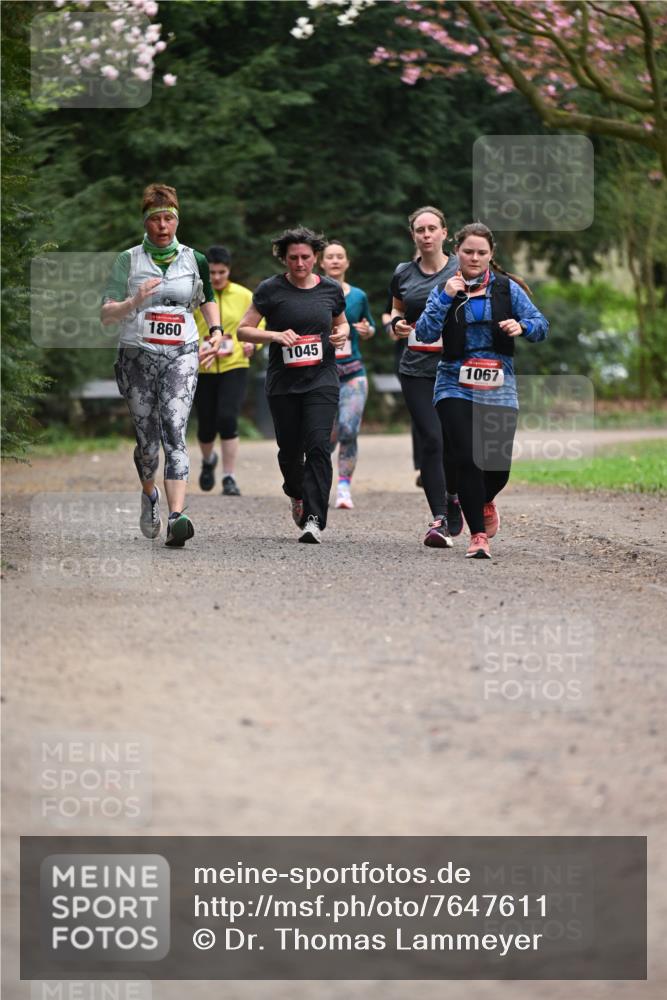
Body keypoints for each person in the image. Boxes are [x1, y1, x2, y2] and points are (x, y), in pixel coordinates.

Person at [415, 221, 548, 559]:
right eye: (468, 251)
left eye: (481, 252)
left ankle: (483, 500)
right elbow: (427, 333)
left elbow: (541, 327)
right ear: (456, 252)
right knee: (469, 457)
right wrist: (445, 298)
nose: (474, 258)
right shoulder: (444, 288)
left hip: (498, 383)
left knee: (497, 465)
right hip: (453, 382)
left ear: (491, 255)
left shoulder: (507, 288)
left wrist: (522, 325)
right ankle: (478, 536)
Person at [101, 183, 224, 547]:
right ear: (146, 222)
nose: (163, 226)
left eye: (169, 218)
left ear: (177, 221)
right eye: (156, 219)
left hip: (181, 353)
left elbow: (207, 298)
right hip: (137, 355)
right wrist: (133, 300)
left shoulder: (194, 259)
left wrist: (215, 330)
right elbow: (106, 314)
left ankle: (176, 516)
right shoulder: (128, 259)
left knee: (174, 428)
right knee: (147, 441)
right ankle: (149, 494)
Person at [238, 226, 349, 543]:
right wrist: (274, 335)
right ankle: (295, 491)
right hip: (284, 382)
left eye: (305, 257)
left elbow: (340, 324)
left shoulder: (330, 290)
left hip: (322, 378)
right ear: (284, 259)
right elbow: (243, 331)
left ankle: (314, 519)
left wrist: (341, 334)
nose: (299, 264)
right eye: (293, 258)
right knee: (290, 451)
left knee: (318, 446)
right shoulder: (270, 290)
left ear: (316, 257)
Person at [390, 206, 462, 548]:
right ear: (414, 236)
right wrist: (396, 324)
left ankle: (454, 493)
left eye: (433, 228)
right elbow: (397, 309)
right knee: (432, 440)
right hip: (416, 368)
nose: (427, 234)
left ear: (445, 233)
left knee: (457, 442)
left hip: (457, 369)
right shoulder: (404, 272)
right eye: (420, 230)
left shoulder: (461, 268)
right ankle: (440, 518)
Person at [193, 245, 262, 497]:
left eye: (221, 272)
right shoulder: (196, 295)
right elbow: (185, 326)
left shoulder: (244, 295)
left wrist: (252, 342)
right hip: (203, 367)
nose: (217, 277)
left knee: (228, 418)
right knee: (206, 423)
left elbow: (258, 322)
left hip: (234, 365)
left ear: (229, 270)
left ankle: (229, 476)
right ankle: (208, 459)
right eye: (211, 272)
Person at [320, 240, 375, 509]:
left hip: (353, 371)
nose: (335, 261)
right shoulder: (313, 292)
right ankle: (316, 479)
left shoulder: (358, 296)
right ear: (322, 262)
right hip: (322, 373)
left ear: (347, 262)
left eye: (340, 256)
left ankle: (343, 487)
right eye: (330, 257)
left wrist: (367, 331)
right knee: (326, 435)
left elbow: (370, 326)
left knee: (349, 428)